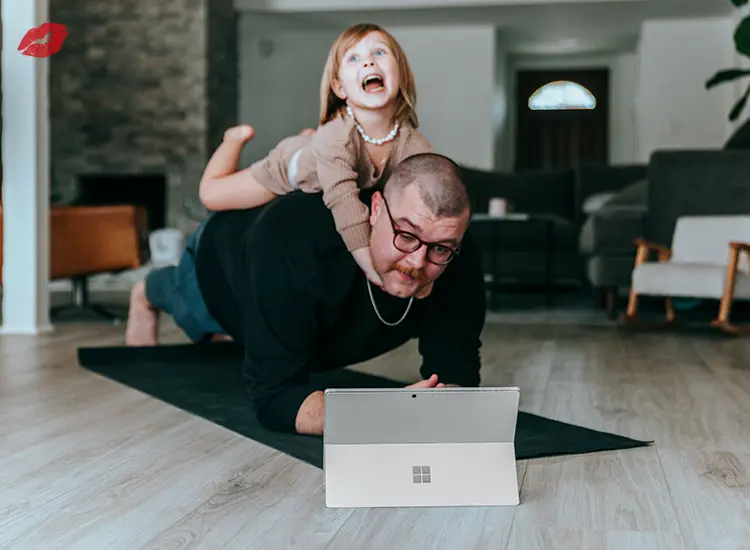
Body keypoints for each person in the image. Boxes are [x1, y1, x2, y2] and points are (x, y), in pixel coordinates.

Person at [125, 153, 487, 436]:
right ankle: (148, 291)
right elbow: (274, 398)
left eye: (440, 248)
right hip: (224, 263)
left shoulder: (457, 255)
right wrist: (378, 415)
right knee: (190, 305)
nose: (418, 262)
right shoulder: (293, 248)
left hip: (308, 311)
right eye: (406, 235)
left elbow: (455, 371)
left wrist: (441, 405)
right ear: (376, 209)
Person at [197, 23, 433, 288]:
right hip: (289, 168)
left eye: (379, 53)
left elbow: (426, 204)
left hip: (320, 149)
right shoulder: (336, 137)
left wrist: (424, 274)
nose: (368, 63)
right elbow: (344, 203)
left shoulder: (414, 143)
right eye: (354, 58)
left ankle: (308, 141)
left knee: (319, 146)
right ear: (340, 88)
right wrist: (373, 270)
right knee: (211, 195)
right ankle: (233, 139)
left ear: (400, 73)